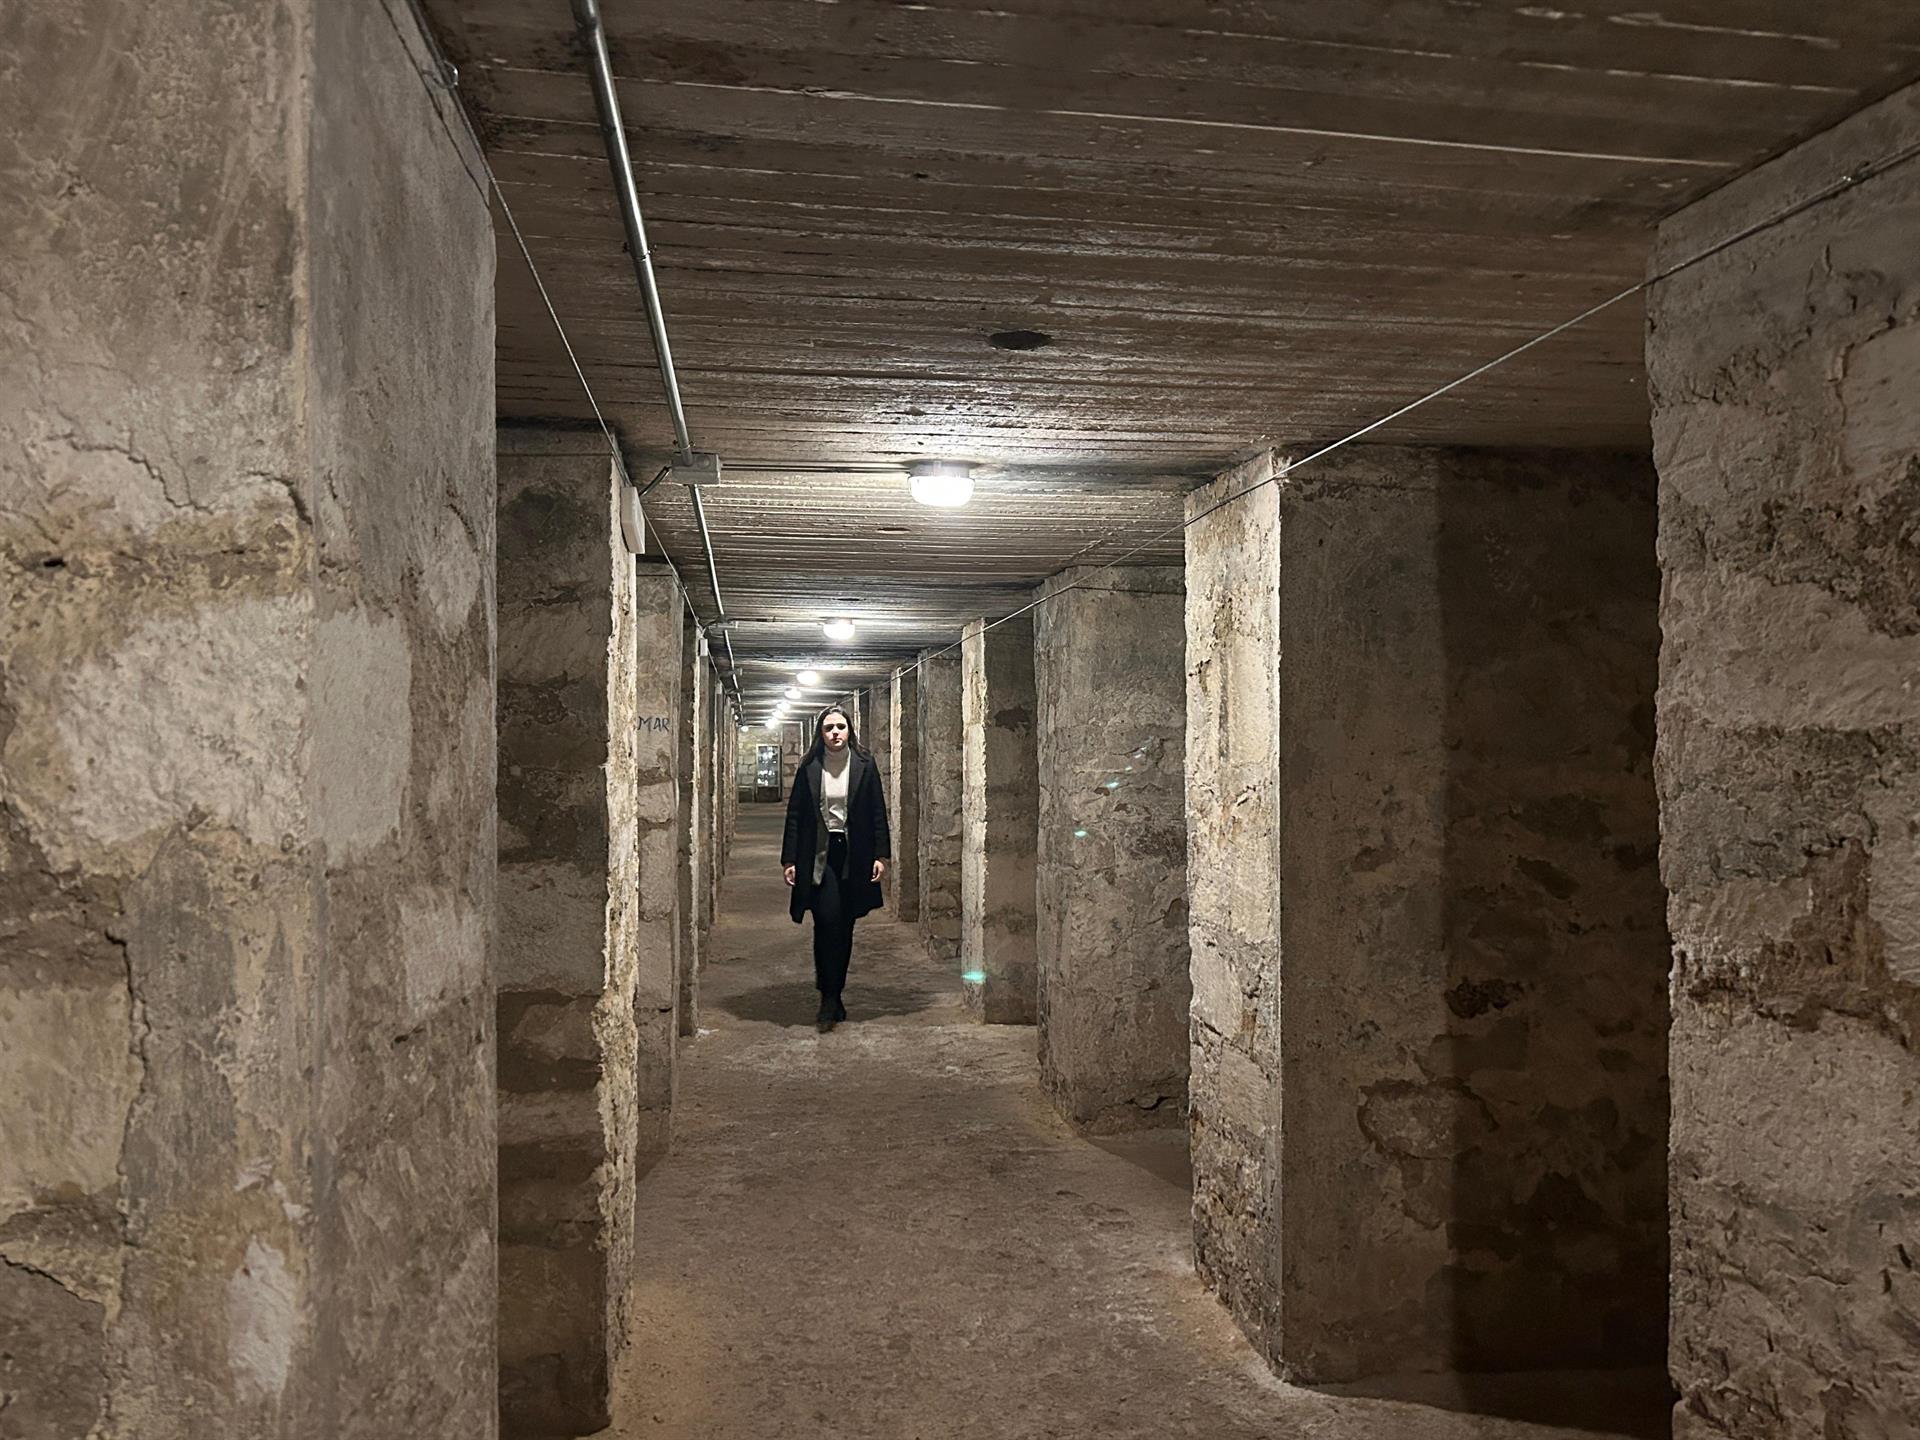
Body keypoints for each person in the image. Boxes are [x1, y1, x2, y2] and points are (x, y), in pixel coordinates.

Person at [781, 705, 890, 1032]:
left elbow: (877, 812)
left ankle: (836, 992)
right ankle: (827, 995)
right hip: (819, 853)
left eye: (840, 726)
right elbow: (796, 815)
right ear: (821, 733)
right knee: (826, 920)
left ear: (849, 730)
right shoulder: (810, 766)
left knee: (845, 925)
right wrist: (789, 859)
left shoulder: (864, 765)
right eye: (828, 728)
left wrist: (881, 855)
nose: (835, 733)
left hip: (853, 853)